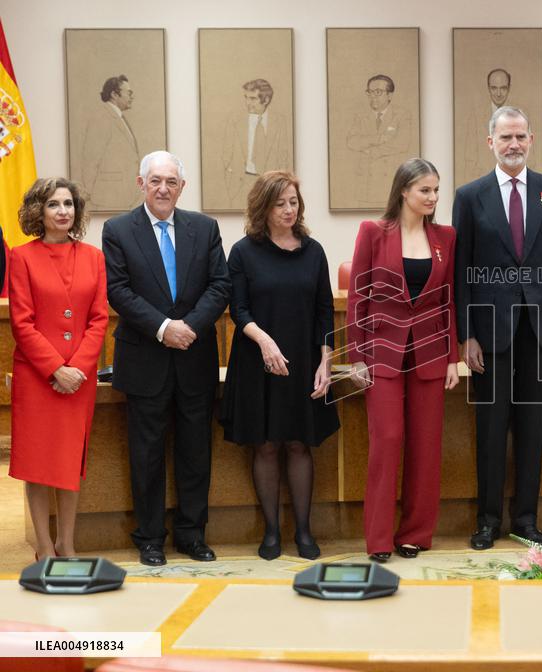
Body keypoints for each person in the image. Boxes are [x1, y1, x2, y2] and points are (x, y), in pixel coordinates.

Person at [454, 106, 542, 550]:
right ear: (491, 142)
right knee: (490, 428)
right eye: (505, 137)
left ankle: (526, 519)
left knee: (532, 427)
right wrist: (466, 333)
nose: (514, 144)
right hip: (489, 333)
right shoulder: (470, 196)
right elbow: (461, 270)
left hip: (540, 331)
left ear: (531, 140)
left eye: (521, 136)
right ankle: (487, 521)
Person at [103, 150, 231, 567]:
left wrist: (188, 327)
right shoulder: (118, 230)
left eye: (171, 182)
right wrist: (163, 327)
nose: (163, 188)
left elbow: (220, 285)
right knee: (147, 455)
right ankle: (150, 538)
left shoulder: (204, 228)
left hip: (194, 356)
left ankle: (192, 535)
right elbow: (118, 290)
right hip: (145, 359)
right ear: (141, 183)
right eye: (155, 180)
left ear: (182, 187)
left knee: (196, 451)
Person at [220, 171, 340, 560]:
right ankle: (271, 532)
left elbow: (325, 311)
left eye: (293, 202)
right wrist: (265, 341)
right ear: (263, 208)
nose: (289, 210)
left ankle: (303, 531)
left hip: (304, 361)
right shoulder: (243, 252)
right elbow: (238, 309)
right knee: (267, 445)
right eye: (280, 204)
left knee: (299, 443)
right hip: (258, 360)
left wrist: (326, 361)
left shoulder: (314, 251)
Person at [347, 158, 459, 562]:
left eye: (436, 190)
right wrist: (357, 356)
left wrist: (452, 358)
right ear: (403, 191)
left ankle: (415, 533)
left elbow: (448, 299)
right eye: (425, 190)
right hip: (382, 353)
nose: (432, 197)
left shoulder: (446, 237)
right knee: (387, 440)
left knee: (426, 445)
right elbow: (358, 297)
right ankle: (378, 538)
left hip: (430, 353)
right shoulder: (373, 232)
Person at [8, 178, 108, 559]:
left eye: (68, 204)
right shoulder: (22, 257)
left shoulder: (94, 257)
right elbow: (22, 323)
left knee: (69, 461)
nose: (63, 211)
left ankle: (67, 543)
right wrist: (55, 369)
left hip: (79, 379)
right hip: (37, 378)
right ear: (39, 211)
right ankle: (44, 546)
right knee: (37, 462)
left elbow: (99, 319)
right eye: (54, 204)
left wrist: (77, 368)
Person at [346, 75, 413, 207]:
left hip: (389, 181)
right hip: (366, 181)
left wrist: (372, 151)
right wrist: (378, 138)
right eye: (370, 92)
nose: (373, 96)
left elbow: (402, 144)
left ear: (389, 95)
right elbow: (351, 141)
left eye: (378, 92)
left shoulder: (402, 115)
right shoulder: (360, 116)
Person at [222, 79, 291, 208]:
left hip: (270, 187)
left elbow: (283, 156)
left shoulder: (279, 121)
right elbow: (226, 154)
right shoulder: (235, 120)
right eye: (246, 97)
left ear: (266, 100)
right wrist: (230, 181)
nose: (248, 103)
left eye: (253, 98)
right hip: (240, 184)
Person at [81, 75, 140, 210]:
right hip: (108, 196)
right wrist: (89, 191)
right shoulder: (102, 117)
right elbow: (91, 158)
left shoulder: (118, 117)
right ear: (114, 94)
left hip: (123, 195)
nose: (132, 97)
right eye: (129, 93)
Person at [463, 68, 513, 183]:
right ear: (488, 88)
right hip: (483, 183)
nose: (498, 94)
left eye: (503, 88)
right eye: (494, 88)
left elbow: (531, 159)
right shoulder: (475, 117)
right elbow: (470, 159)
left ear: (509, 88)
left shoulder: (520, 117)